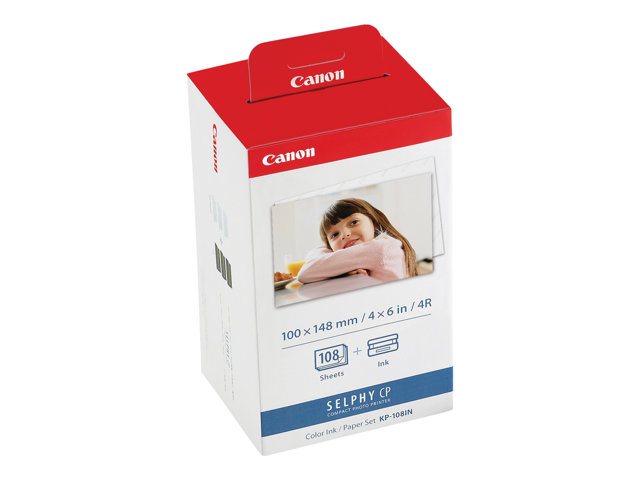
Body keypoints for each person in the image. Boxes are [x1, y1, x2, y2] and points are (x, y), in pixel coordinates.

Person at [297, 198, 417, 284]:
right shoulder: (383, 246)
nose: (345, 234)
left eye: (354, 222)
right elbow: (316, 255)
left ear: (375, 224)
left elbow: (305, 273)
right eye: (335, 235)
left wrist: (336, 270)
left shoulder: (380, 248)